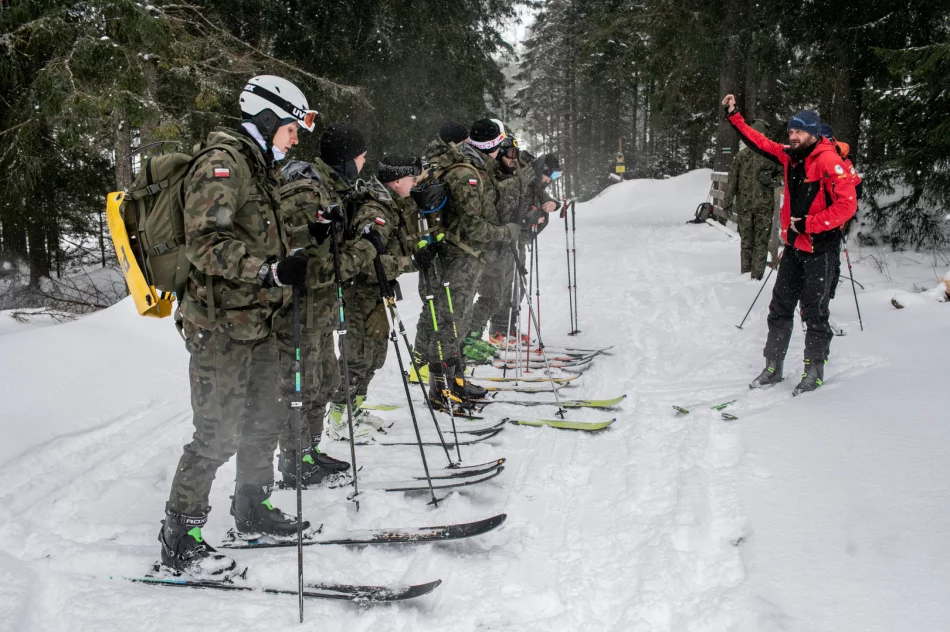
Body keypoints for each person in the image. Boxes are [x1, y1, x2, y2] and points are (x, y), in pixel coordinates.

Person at [159, 75, 318, 577]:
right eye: (292, 127)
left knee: (265, 418)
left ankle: (252, 505)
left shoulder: (260, 166)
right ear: (268, 118)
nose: (296, 138)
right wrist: (267, 271)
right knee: (217, 432)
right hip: (220, 325)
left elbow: (264, 232)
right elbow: (204, 242)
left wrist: (310, 233)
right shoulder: (222, 164)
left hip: (260, 319)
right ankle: (180, 534)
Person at [722, 94, 858, 395]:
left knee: (814, 312)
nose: (793, 136)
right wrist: (734, 116)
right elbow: (759, 142)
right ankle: (773, 367)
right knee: (780, 307)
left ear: (813, 133)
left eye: (799, 132)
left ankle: (814, 370)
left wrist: (810, 224)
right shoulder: (791, 156)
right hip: (795, 248)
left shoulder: (828, 161)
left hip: (820, 250)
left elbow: (847, 205)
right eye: (791, 131)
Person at [272, 123, 384, 481]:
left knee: (324, 380)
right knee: (301, 387)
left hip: (319, 311)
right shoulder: (308, 194)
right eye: (361, 157)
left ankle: (310, 450)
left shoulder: (330, 189)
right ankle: (294, 459)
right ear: (347, 159)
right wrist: (366, 248)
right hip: (298, 311)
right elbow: (313, 268)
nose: (364, 164)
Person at [326, 155, 438, 442]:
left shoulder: (391, 205)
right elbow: (364, 262)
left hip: (375, 294)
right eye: (411, 178)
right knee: (356, 358)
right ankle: (338, 418)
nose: (414, 183)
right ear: (397, 181)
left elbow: (392, 245)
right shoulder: (375, 211)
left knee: (374, 356)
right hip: (358, 294)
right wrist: (411, 262)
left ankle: (354, 409)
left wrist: (421, 248)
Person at [411, 118, 520, 407]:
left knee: (457, 322)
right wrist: (505, 233)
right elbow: (473, 225)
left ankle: (454, 380)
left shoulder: (474, 168)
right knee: (451, 323)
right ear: (493, 145)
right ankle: (441, 388)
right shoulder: (466, 173)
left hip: (467, 257)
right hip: (460, 257)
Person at [723, 119, 782, 280]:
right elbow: (732, 181)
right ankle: (746, 274)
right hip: (746, 207)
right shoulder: (741, 156)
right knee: (748, 242)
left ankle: (756, 276)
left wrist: (772, 180)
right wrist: (727, 203)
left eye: (760, 134)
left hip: (763, 207)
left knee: (759, 242)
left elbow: (783, 175)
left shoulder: (771, 156)